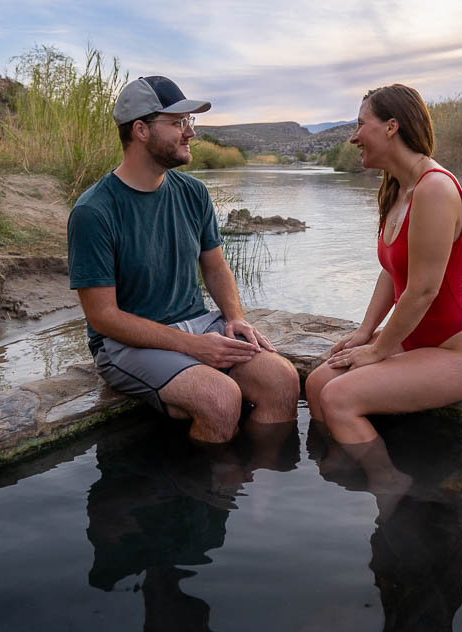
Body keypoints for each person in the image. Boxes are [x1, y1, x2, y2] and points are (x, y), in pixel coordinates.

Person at [67, 75, 299, 443]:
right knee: (220, 398)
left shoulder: (193, 193)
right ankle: (207, 498)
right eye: (177, 123)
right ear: (141, 130)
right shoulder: (94, 211)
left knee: (282, 379)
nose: (189, 132)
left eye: (189, 122)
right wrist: (194, 348)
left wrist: (235, 317)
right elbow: (103, 317)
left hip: (197, 322)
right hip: (125, 345)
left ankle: (261, 498)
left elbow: (216, 267)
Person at [305, 83, 462, 445]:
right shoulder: (397, 189)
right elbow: (393, 273)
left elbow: (423, 289)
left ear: (391, 127)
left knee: (337, 397)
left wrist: (378, 350)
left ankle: (389, 490)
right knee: (317, 383)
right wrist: (365, 332)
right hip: (414, 338)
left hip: (458, 349)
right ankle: (338, 473)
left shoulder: (434, 188)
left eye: (361, 125)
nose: (353, 137)